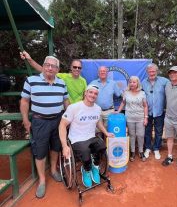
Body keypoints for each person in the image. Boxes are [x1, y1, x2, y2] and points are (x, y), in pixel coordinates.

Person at [20, 56, 69, 198]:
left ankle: (53, 170)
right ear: (43, 66)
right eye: (47, 65)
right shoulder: (31, 81)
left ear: (57, 70)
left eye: (53, 66)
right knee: (40, 151)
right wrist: (25, 120)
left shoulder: (61, 83)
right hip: (39, 122)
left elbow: (66, 100)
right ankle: (42, 180)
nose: (50, 68)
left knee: (55, 147)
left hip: (58, 121)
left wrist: (67, 116)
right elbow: (24, 101)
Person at [59, 84, 114, 188]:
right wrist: (64, 146)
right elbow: (62, 125)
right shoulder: (74, 107)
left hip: (91, 136)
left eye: (95, 94)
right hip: (76, 139)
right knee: (85, 151)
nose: (93, 95)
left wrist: (106, 133)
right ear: (85, 93)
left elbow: (98, 122)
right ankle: (86, 170)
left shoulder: (97, 108)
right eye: (91, 92)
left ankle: (95, 166)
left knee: (102, 146)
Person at [20, 50, 87, 104]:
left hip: (79, 110)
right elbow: (43, 70)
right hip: (67, 110)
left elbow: (85, 97)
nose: (77, 69)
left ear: (81, 69)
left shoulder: (83, 81)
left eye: (79, 67)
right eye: (75, 67)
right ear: (71, 68)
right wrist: (30, 59)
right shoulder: (63, 77)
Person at [116, 76, 148, 162]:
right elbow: (123, 103)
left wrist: (146, 117)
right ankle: (133, 152)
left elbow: (145, 106)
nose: (132, 84)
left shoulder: (142, 93)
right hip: (129, 117)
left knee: (141, 135)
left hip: (140, 118)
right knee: (132, 135)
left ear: (137, 83)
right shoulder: (126, 93)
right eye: (130, 82)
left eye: (134, 82)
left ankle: (141, 151)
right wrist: (118, 111)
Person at [142, 63, 169, 160]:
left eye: (153, 71)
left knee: (159, 131)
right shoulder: (143, 82)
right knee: (147, 131)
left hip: (159, 111)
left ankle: (156, 148)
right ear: (147, 72)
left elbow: (175, 85)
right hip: (147, 113)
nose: (152, 73)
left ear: (157, 71)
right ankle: (148, 148)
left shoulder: (165, 81)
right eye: (150, 71)